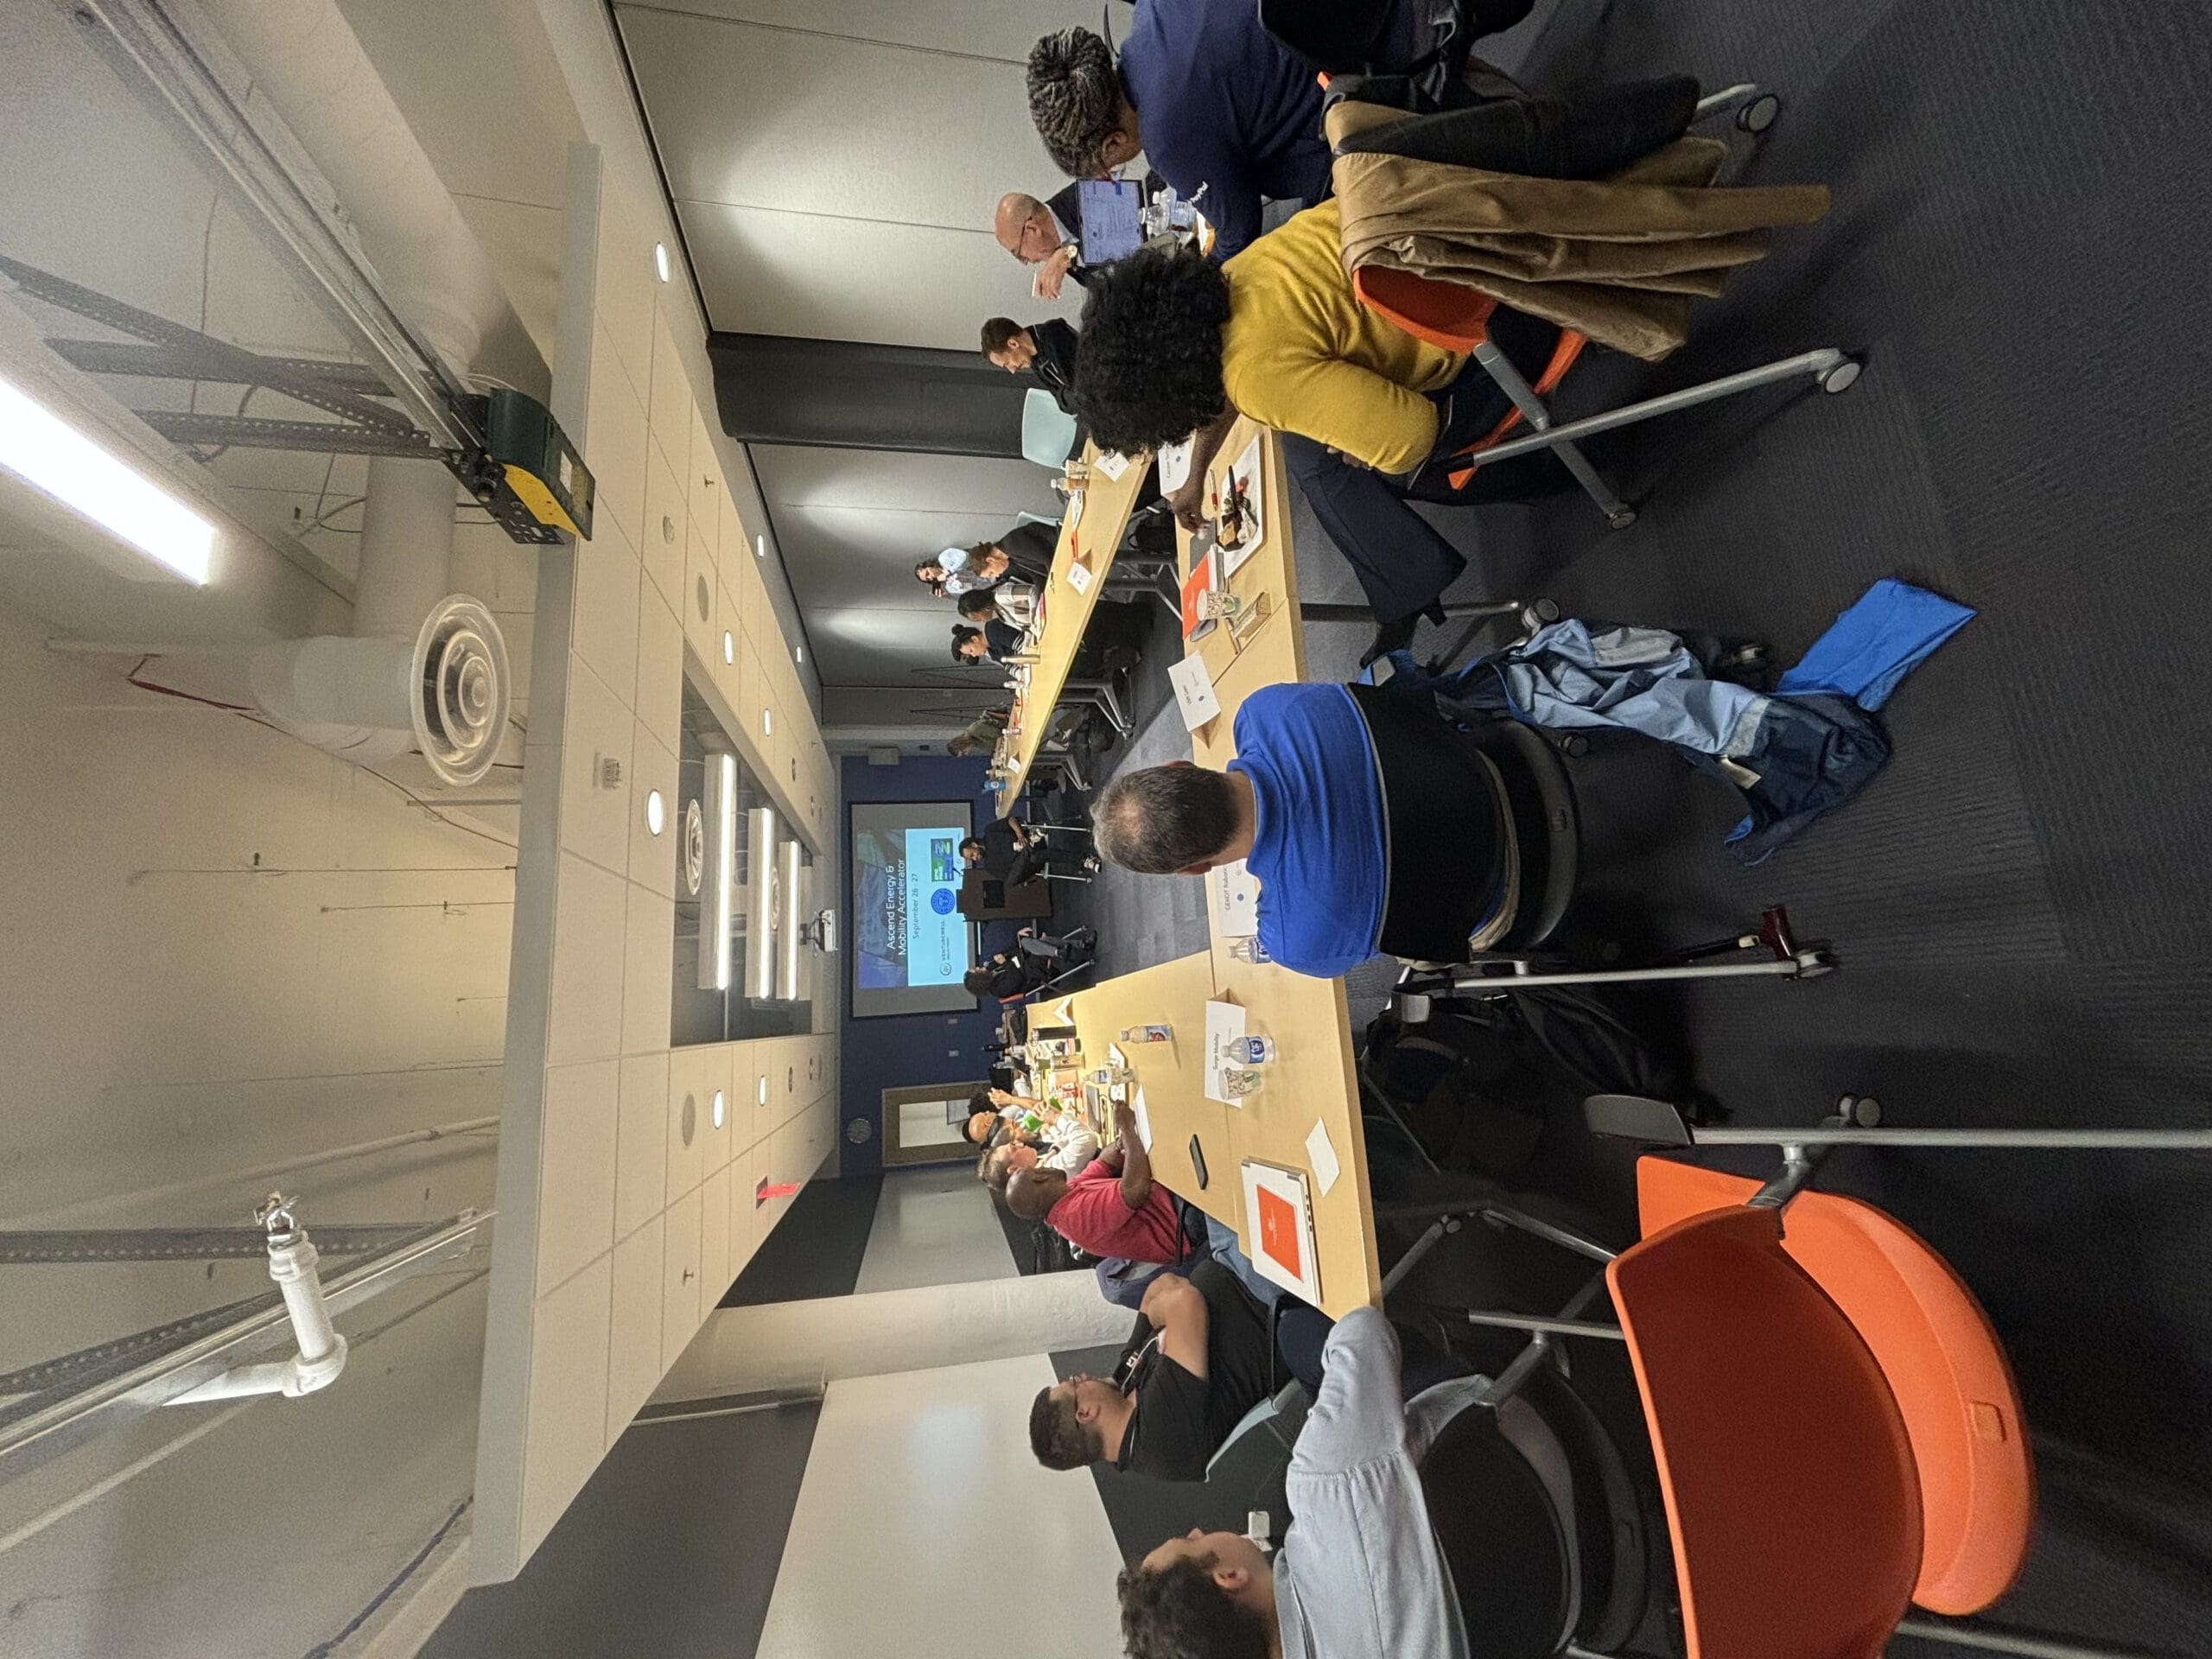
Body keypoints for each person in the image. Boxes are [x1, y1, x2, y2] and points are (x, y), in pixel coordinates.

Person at [1071, 224, 1567, 659]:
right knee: (1309, 453)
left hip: (1495, 337)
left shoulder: (1253, 376)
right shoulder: (1238, 274)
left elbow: (1413, 437)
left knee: (1385, 471)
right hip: (1476, 262)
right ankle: (1404, 591)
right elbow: (1232, 386)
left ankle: (1551, 473)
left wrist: (1362, 448)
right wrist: (1197, 474)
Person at [1116, 1305, 1483, 1658]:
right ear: (1229, 1576)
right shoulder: (1323, 1486)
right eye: (1189, 1542)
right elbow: (1365, 1331)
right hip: (1502, 1422)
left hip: (1515, 1580)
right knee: (1300, 1333)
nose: (1196, 1530)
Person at [1090, 675, 1506, 979]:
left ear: (1194, 869)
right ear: (1180, 765)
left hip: (1504, 892)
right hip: (1485, 764)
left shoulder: (1294, 939)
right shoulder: (1267, 710)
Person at [1026, 14, 1335, 262]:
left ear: (1113, 143)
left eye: (1103, 168)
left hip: (1336, 116)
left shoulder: (1164, 138)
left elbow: (1239, 229)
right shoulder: (1150, 12)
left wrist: (1201, 275)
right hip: (1338, 36)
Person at [1029, 1255, 1275, 1483]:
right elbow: (1184, 1300)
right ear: (1085, 1413)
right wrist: (1165, 1314)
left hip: (1235, 1269)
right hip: (1263, 1297)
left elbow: (1157, 1287)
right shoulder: (1158, 1435)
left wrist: (1167, 1315)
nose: (1082, 1376)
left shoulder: (1121, 1389)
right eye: (1075, 1382)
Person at [1005, 1101, 1183, 1262]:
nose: (1043, 1167)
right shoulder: (1075, 1218)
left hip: (1167, 1197)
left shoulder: (1065, 1192)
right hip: (1179, 1224)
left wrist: (1119, 1144)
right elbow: (1135, 1190)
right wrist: (1127, 1129)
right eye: (1037, 1170)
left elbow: (1104, 1163)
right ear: (1041, 1177)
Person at [995, 187, 1093, 300]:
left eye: (1018, 254)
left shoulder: (1085, 197)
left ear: (1032, 229)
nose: (1027, 262)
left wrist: (1068, 254)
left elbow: (1114, 240)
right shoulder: (1058, 254)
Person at [982, 316, 1081, 415]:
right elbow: (1064, 404)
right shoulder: (1035, 361)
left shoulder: (1053, 334)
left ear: (1013, 344)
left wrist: (1070, 394)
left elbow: (1084, 384)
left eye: (1007, 363)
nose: (1012, 370)